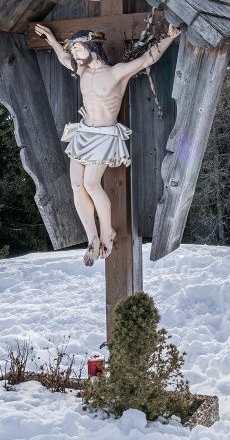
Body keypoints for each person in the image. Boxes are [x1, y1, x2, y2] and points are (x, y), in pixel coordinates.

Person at [33, 21, 181, 265]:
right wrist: (50, 36)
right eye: (75, 51)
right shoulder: (81, 70)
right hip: (84, 132)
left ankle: (107, 233)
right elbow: (61, 56)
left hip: (104, 135)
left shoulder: (115, 72)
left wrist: (169, 38)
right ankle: (92, 239)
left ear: (92, 48)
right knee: (77, 186)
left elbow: (146, 60)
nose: (75, 55)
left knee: (91, 183)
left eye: (79, 50)